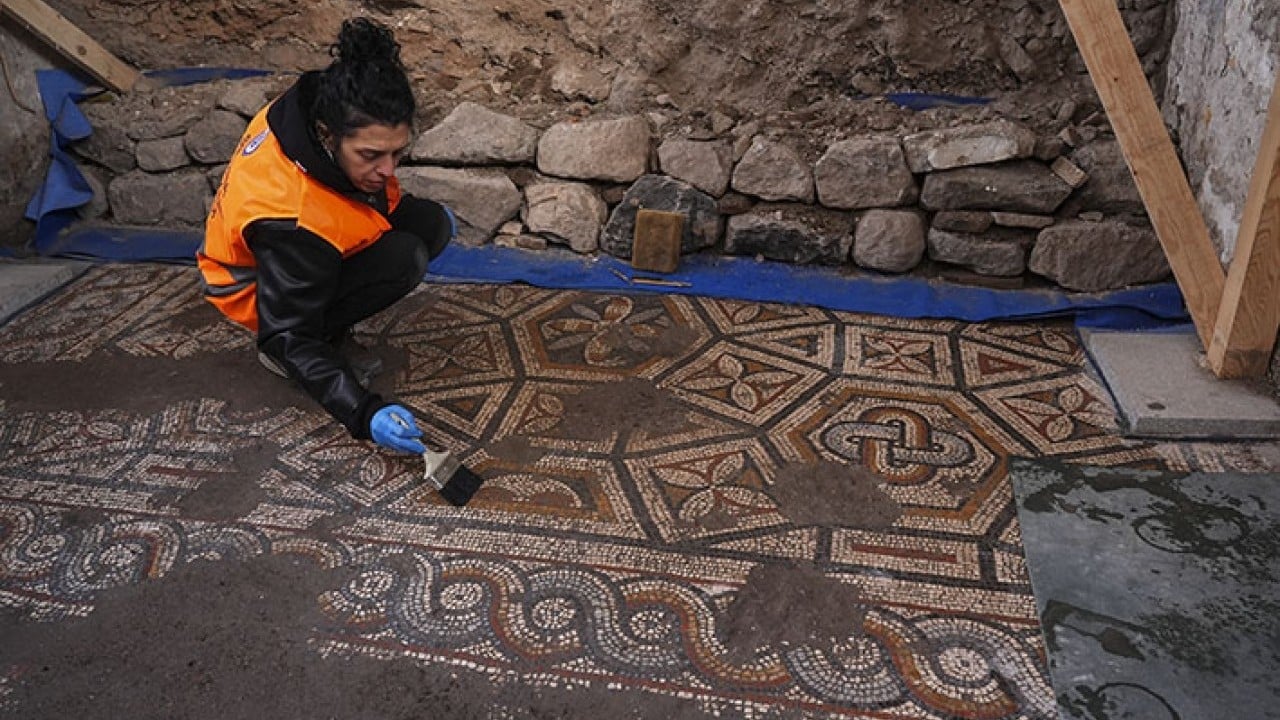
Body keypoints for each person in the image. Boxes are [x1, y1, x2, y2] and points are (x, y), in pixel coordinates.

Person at [198, 18, 452, 457]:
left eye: (397, 153)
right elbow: (288, 334)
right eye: (371, 156)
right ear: (327, 136)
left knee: (432, 224)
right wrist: (363, 412)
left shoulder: (313, 107)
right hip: (259, 292)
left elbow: (358, 191)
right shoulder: (290, 218)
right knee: (404, 257)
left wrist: (370, 170)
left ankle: (328, 312)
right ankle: (313, 341)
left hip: (302, 242)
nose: (389, 170)